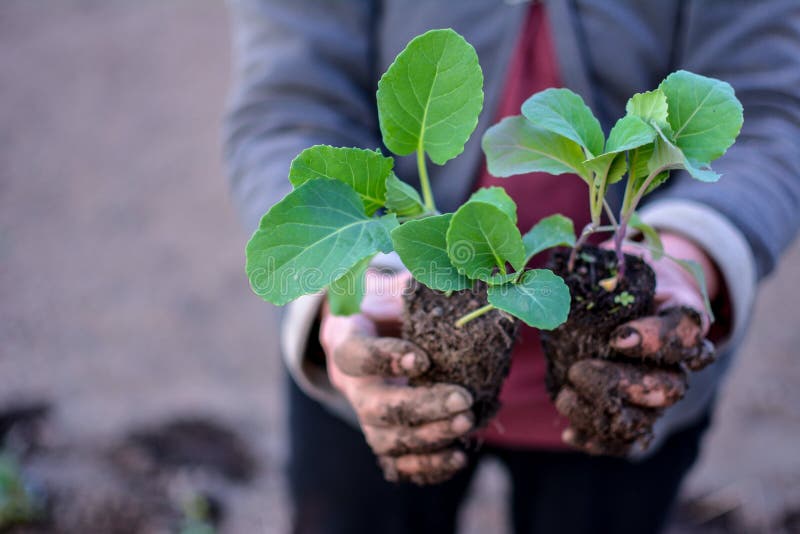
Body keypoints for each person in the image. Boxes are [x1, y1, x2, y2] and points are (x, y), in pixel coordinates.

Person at [224, 1, 800, 532]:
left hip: (624, 372)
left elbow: (771, 111)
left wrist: (690, 248)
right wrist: (345, 289)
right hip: (387, 348)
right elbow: (289, 103)